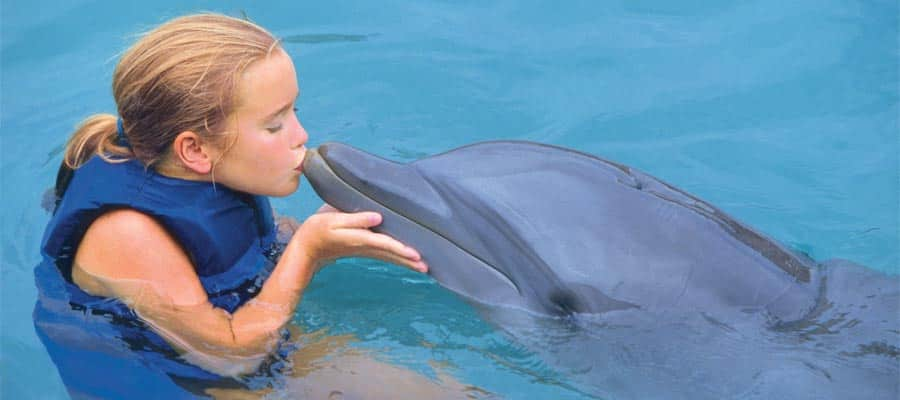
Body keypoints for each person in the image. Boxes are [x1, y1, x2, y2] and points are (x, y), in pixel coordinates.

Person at [33, 13, 459, 399]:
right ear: (195, 149)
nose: (300, 134)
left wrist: (326, 233)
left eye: (295, 111)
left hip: (245, 350)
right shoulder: (126, 232)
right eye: (275, 125)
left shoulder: (208, 171)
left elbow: (251, 253)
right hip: (169, 376)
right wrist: (309, 252)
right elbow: (229, 356)